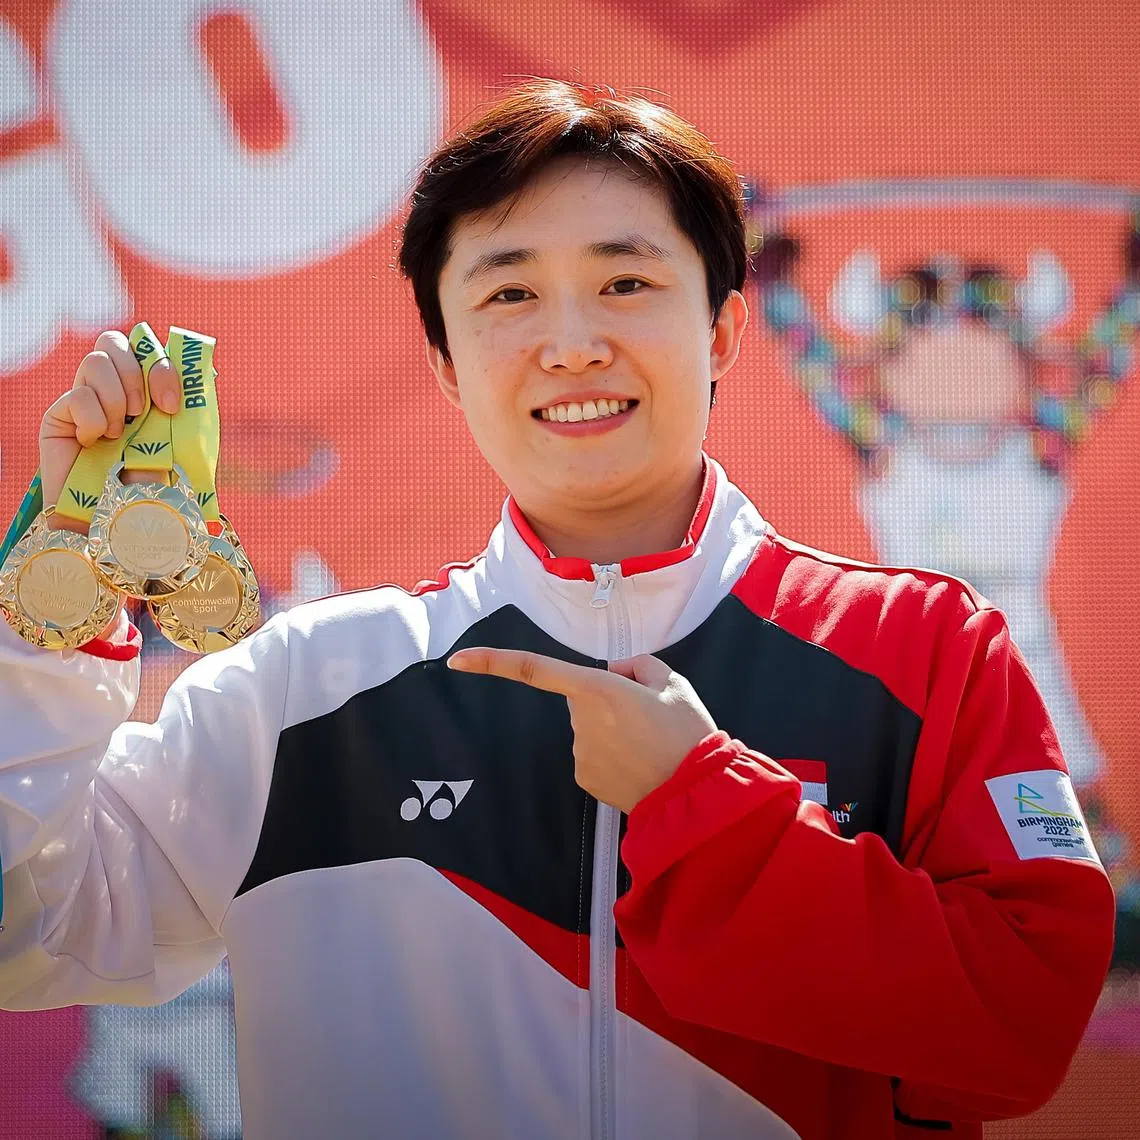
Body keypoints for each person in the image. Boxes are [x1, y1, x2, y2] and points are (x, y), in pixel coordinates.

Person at [0, 80, 1115, 1140]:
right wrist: (57, 597)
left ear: (724, 331)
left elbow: (1021, 1028)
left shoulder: (924, 651)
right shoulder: (302, 689)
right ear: (445, 359)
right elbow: (26, 931)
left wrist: (704, 805)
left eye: (625, 282)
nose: (572, 341)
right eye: (508, 292)